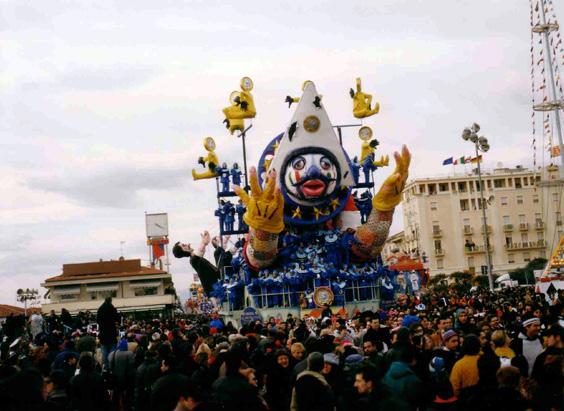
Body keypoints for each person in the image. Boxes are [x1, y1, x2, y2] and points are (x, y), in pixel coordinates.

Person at [96, 296, 120, 367]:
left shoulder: (100, 309)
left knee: (104, 352)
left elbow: (98, 320)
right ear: (111, 301)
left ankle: (105, 367)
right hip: (112, 334)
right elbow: (117, 319)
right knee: (112, 352)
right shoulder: (112, 308)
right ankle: (111, 366)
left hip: (103, 334)